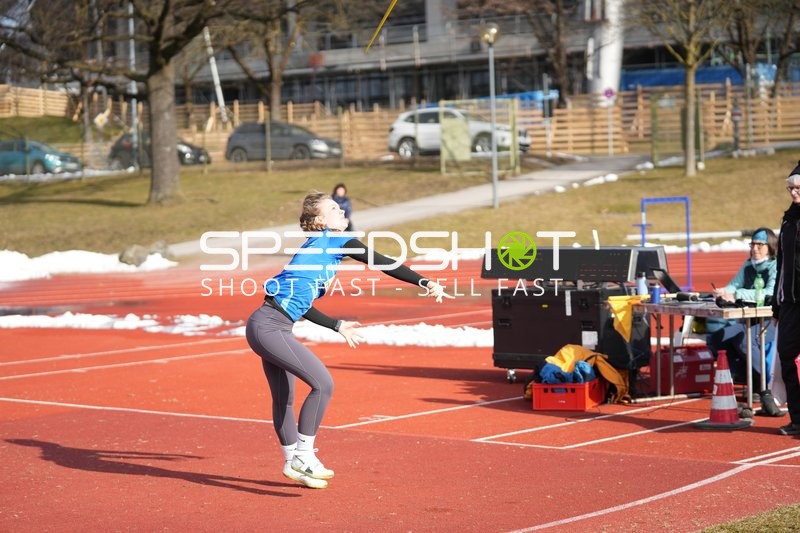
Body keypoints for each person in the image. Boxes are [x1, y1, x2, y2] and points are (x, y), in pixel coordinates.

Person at [245, 190, 451, 488]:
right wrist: (425, 281)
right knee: (323, 383)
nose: (342, 210)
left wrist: (336, 325)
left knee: (285, 399)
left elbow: (300, 304)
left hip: (267, 325)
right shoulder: (336, 240)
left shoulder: (315, 246)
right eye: (333, 208)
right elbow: (384, 262)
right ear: (319, 221)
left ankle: (293, 462)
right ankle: (304, 454)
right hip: (269, 327)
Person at [708, 227, 782, 416]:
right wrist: (723, 292)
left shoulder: (776, 265)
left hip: (769, 320)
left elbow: (769, 293)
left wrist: (737, 294)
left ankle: (765, 387)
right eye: (752, 244)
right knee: (717, 339)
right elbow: (733, 285)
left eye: (759, 244)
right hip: (746, 320)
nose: (755, 248)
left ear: (770, 246)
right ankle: (739, 380)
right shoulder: (748, 264)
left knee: (745, 340)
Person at [772, 162, 800, 436]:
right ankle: (797, 419)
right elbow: (781, 263)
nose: (794, 193)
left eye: (798, 188)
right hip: (790, 302)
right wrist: (776, 302)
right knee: (787, 356)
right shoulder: (788, 220)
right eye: (790, 188)